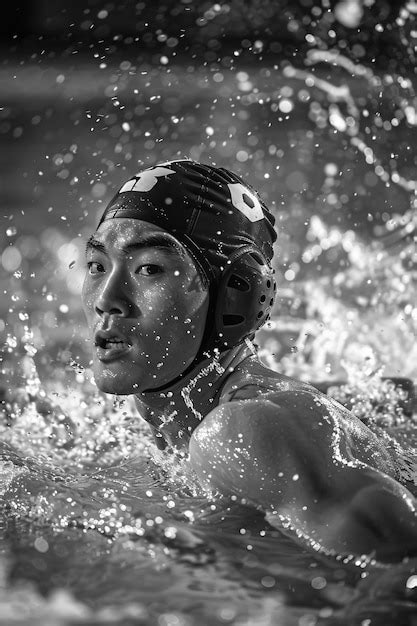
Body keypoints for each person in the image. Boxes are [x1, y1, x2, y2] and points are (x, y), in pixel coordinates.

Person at [82, 159, 417, 562]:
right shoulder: (191, 422)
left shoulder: (241, 430)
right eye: (97, 266)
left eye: (149, 268)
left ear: (236, 297)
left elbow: (403, 561)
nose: (106, 299)